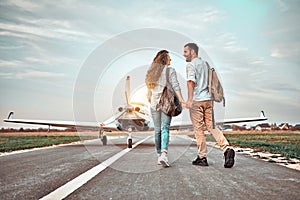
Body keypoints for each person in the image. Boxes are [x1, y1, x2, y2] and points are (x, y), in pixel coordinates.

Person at [183, 43, 235, 168]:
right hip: (208, 100)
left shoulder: (191, 65)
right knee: (212, 126)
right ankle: (226, 148)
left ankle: (202, 157)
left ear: (193, 52)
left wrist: (189, 99)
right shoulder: (205, 64)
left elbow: (191, 82)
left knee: (199, 129)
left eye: (186, 51)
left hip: (197, 101)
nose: (184, 54)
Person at [145, 50, 185, 167]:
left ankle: (159, 155)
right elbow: (175, 85)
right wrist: (181, 99)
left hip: (154, 104)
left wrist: (153, 101)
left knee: (157, 130)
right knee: (165, 128)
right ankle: (164, 154)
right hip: (166, 104)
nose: (171, 60)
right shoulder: (170, 71)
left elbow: (148, 93)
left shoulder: (151, 72)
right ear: (164, 59)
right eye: (169, 58)